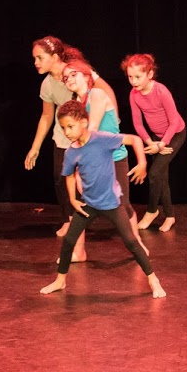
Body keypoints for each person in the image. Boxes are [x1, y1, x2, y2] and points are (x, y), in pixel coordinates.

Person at [39, 100, 163, 298]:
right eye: (63, 128)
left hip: (112, 204)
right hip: (88, 204)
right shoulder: (71, 152)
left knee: (131, 241)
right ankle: (60, 281)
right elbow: (69, 175)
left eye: (70, 126)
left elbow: (134, 140)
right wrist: (72, 199)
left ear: (84, 122)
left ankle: (153, 279)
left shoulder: (102, 139)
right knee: (69, 240)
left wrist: (142, 163)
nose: (67, 132)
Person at [24, 36, 118, 237]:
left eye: (40, 58)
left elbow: (105, 90)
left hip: (86, 132)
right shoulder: (47, 84)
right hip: (64, 135)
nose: (36, 63)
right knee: (61, 177)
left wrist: (114, 121)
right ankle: (69, 219)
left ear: (55, 57)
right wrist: (35, 146)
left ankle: (102, 216)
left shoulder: (76, 71)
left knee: (87, 178)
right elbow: (47, 116)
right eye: (35, 59)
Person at [62, 59, 146, 263]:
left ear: (86, 75)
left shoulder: (97, 94)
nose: (69, 79)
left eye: (74, 74)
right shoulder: (78, 102)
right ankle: (79, 251)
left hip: (113, 159)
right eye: (65, 77)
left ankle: (138, 245)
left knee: (123, 205)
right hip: (93, 160)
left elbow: (92, 131)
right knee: (82, 205)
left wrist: (78, 167)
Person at [122, 54, 186, 232]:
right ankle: (170, 216)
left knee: (154, 174)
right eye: (130, 77)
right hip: (156, 138)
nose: (133, 81)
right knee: (161, 177)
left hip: (175, 135)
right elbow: (137, 123)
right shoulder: (134, 94)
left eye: (138, 77)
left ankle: (151, 211)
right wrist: (151, 142)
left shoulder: (161, 91)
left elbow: (174, 122)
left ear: (149, 74)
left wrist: (162, 144)